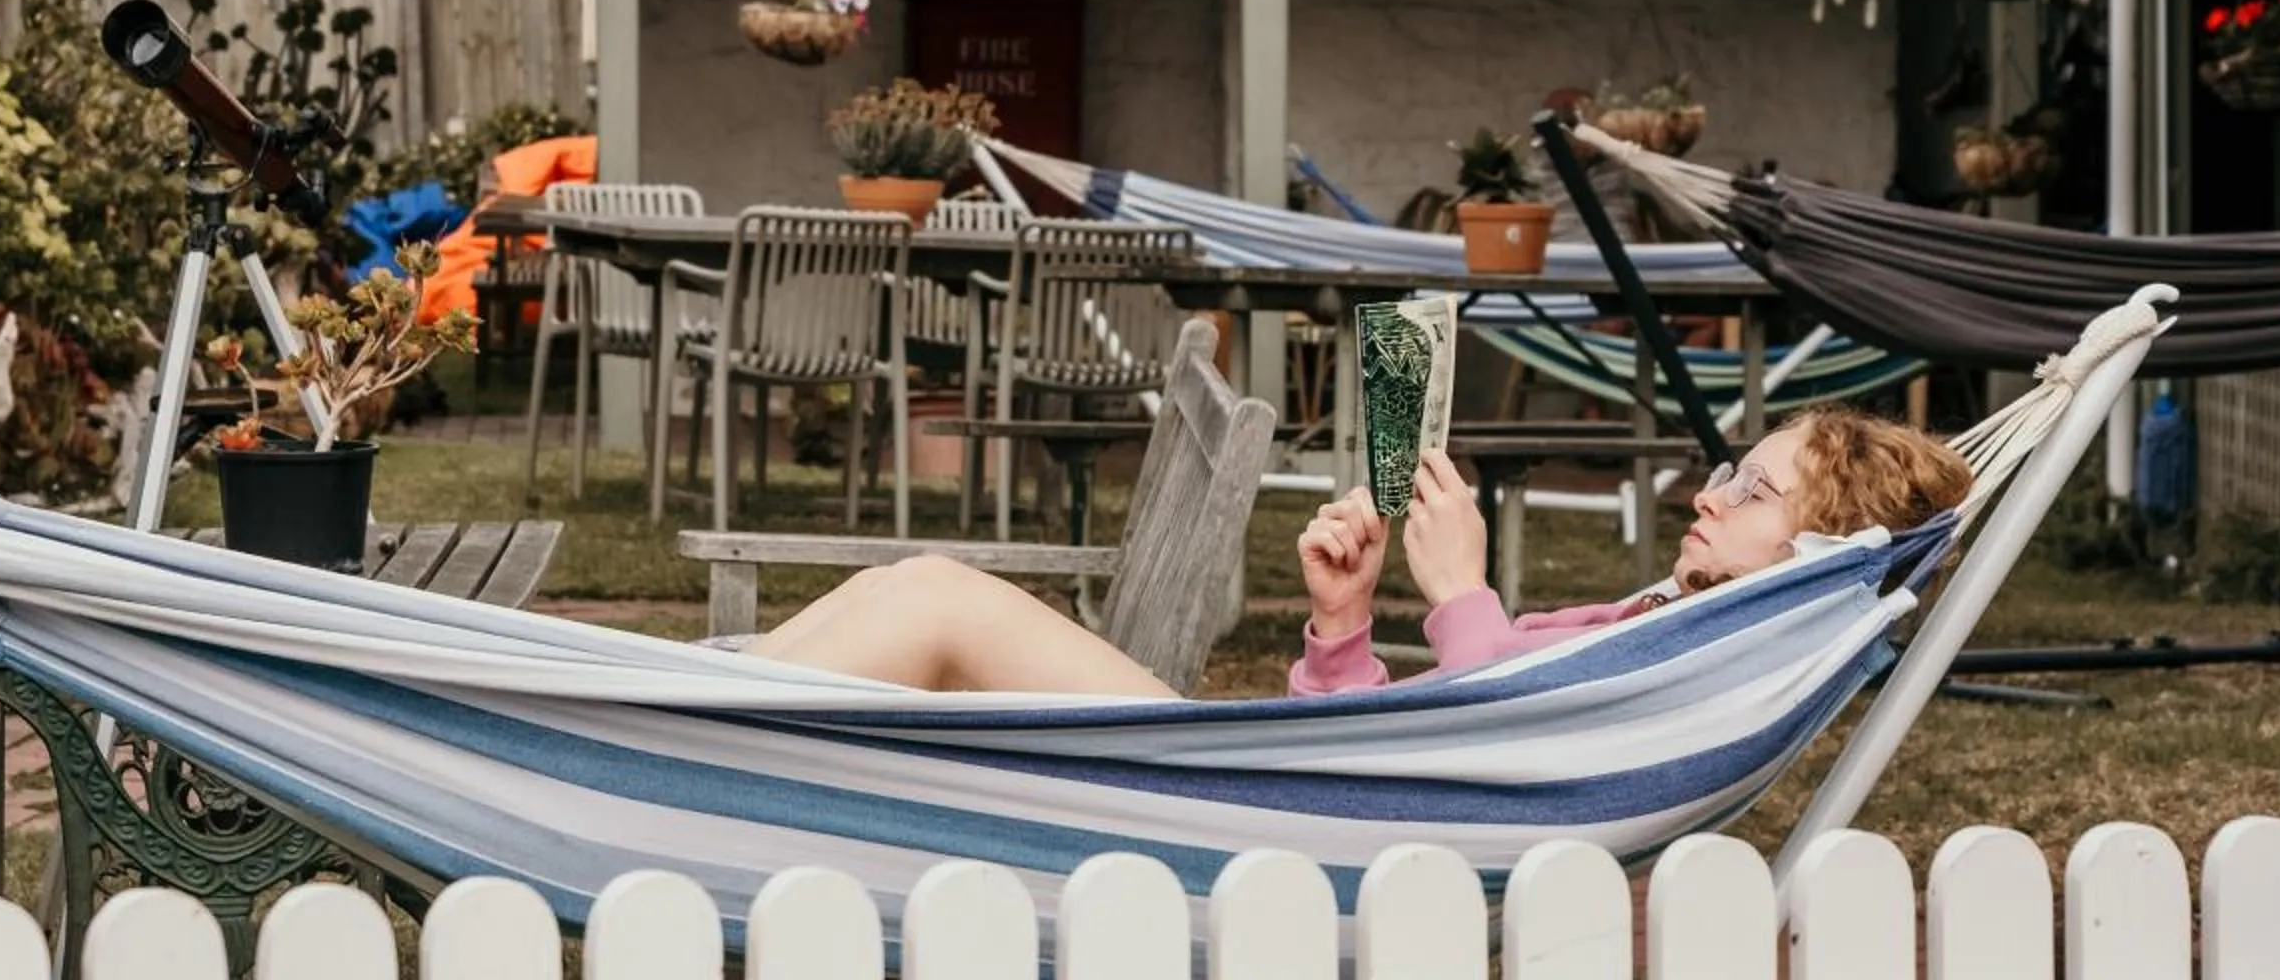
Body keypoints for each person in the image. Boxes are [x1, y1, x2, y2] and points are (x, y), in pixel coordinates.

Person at [742, 406, 1972, 699]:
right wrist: (1346, 623)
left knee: (941, 597)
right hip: (1293, 786)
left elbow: (1508, 752)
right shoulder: (1663, 615)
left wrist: (1462, 589)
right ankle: (666, 698)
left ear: (1817, 542)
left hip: (1248, 806)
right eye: (1720, 470)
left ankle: (660, 708)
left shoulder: (1692, 652)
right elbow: (1416, 750)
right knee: (909, 590)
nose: (1705, 495)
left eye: (1745, 486)